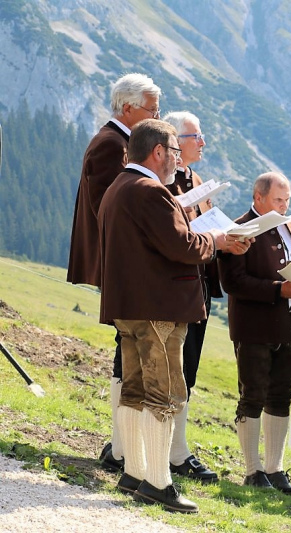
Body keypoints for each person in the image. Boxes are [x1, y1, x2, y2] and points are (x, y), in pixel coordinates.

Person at [98, 119, 251, 513]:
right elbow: (181, 246)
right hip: (159, 310)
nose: (178, 163)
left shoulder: (119, 187)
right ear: (159, 152)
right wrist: (215, 240)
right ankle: (158, 481)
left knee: (133, 390)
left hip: (129, 307)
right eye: (176, 153)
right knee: (165, 394)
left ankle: (133, 472)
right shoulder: (151, 191)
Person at [67, 73, 162, 472]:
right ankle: (120, 448)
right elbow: (108, 207)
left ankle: (122, 446)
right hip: (120, 263)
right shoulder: (111, 145)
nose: (157, 116)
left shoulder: (120, 142)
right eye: (152, 110)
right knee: (126, 354)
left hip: (124, 262)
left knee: (127, 352)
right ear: (128, 108)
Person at [218, 172, 291, 493]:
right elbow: (232, 282)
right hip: (254, 326)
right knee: (253, 394)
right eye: (279, 200)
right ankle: (252, 470)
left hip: (289, 325)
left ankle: (275, 469)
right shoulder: (240, 228)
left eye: (288, 199)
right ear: (258, 197)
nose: (285, 205)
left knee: (281, 395)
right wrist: (278, 290)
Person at [161, 111, 220, 484]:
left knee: (189, 372)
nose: (202, 142)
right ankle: (161, 452)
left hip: (200, 284)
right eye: (197, 135)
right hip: (171, 287)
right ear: (176, 142)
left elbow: (209, 225)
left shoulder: (196, 180)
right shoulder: (163, 182)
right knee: (163, 371)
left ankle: (177, 449)